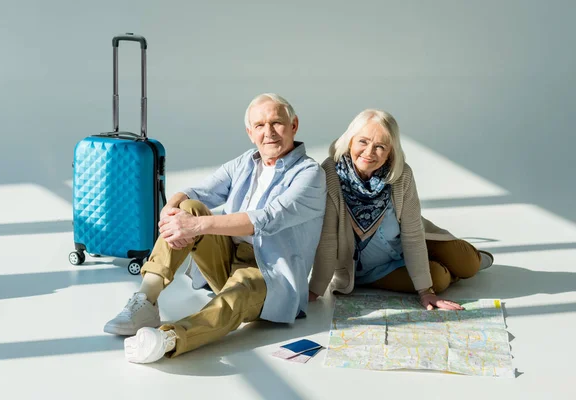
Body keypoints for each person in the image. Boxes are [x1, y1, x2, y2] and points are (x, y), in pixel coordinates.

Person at [104, 93, 326, 364]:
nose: (268, 132)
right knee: (188, 206)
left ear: (294, 125)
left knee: (235, 295)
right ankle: (145, 300)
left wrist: (196, 225)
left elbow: (268, 218)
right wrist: (170, 208)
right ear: (249, 132)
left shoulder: (310, 173)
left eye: (276, 123)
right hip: (225, 259)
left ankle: (171, 338)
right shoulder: (247, 161)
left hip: (269, 274)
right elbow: (198, 190)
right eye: (259, 125)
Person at [309, 109, 494, 310]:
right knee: (439, 280)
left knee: (468, 263)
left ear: (391, 151)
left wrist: (424, 291)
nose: (369, 152)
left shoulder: (401, 174)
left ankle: (452, 264)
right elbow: (327, 240)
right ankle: (436, 269)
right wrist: (314, 290)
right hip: (372, 269)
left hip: (408, 241)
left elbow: (413, 235)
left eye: (380, 146)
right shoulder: (331, 173)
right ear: (350, 140)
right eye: (363, 141)